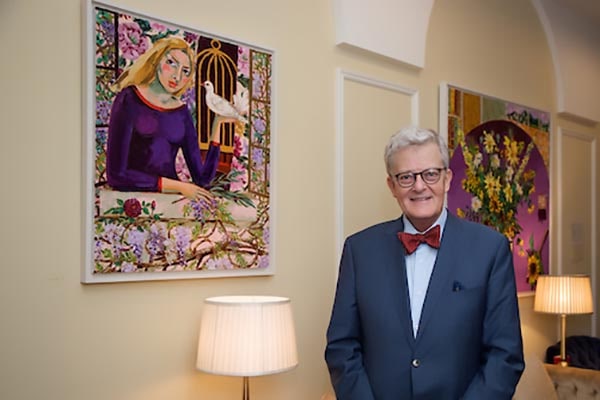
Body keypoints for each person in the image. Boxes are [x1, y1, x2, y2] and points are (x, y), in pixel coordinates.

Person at [325, 126, 524, 400]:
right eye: (406, 177)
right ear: (392, 186)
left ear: (447, 179)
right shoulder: (359, 251)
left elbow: (505, 356)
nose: (419, 186)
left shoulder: (490, 249)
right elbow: (342, 347)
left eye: (430, 174)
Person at [107, 36, 232, 201]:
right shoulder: (129, 98)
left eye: (185, 71)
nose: (177, 76)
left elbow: (202, 179)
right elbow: (116, 175)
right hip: (134, 200)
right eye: (171, 63)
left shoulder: (182, 112)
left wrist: (217, 124)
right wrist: (179, 186)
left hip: (169, 202)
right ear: (156, 61)